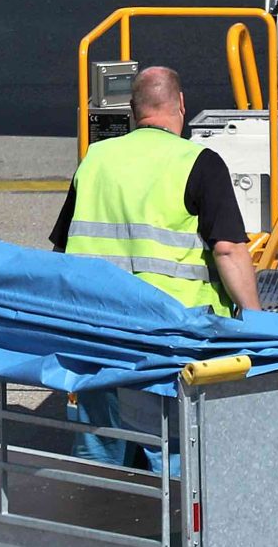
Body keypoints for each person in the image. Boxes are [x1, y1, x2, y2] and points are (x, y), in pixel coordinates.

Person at [49, 65, 260, 466]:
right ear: (181, 104)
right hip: (172, 343)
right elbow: (229, 250)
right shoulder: (199, 162)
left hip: (99, 335)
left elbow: (64, 249)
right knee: (177, 462)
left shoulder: (96, 160)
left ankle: (97, 520)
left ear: (133, 111)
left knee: (100, 457)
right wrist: (258, 322)